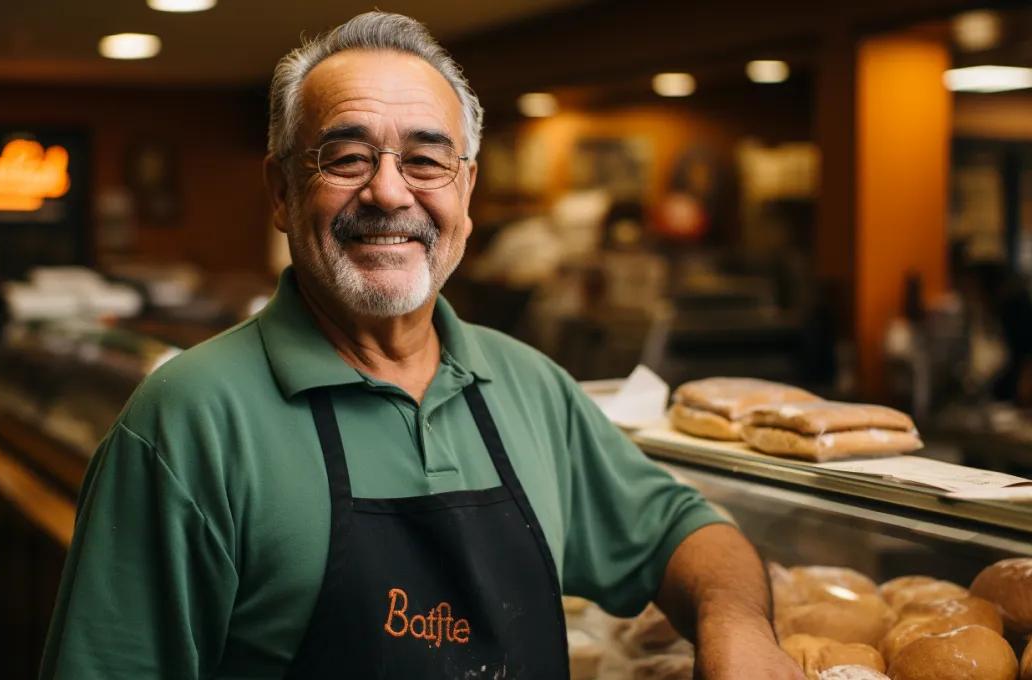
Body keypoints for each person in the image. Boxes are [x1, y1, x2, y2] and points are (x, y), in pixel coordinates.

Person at [40, 12, 802, 679]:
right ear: (280, 192)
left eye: (427, 159)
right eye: (346, 157)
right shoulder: (188, 420)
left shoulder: (528, 386)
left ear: (465, 191)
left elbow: (684, 531)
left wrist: (736, 625)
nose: (390, 192)